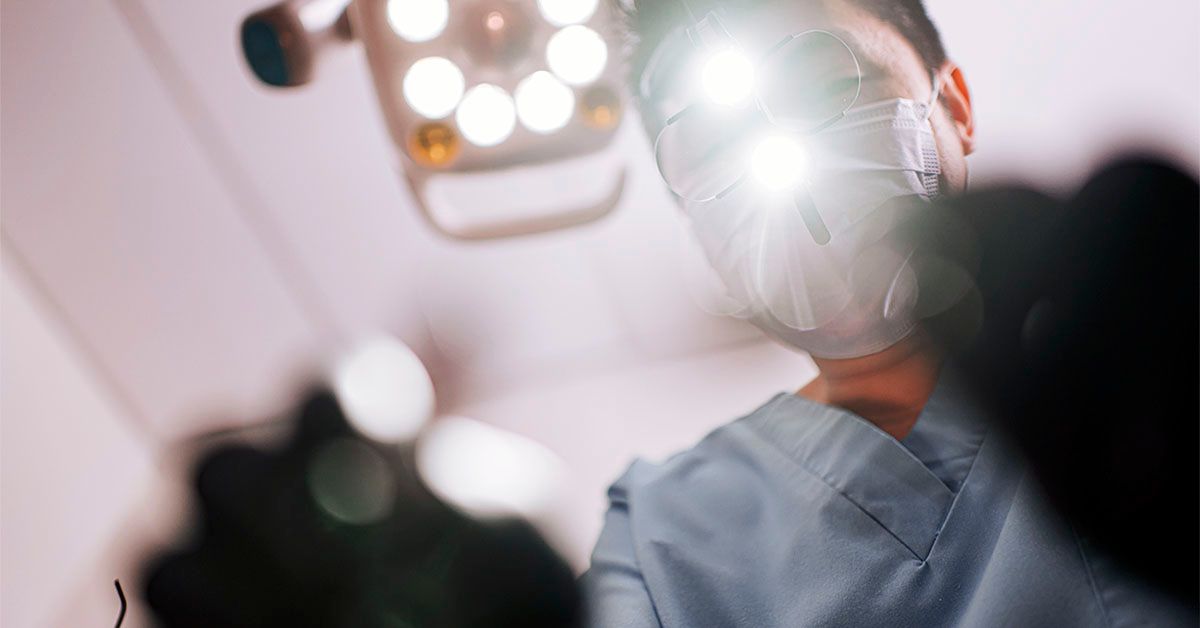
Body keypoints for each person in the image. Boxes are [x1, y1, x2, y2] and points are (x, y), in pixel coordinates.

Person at [581, 0, 1194, 625]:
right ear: (694, 222)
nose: (773, 149)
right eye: (712, 145)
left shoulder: (1143, 356)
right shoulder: (659, 534)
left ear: (954, 106)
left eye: (827, 86)